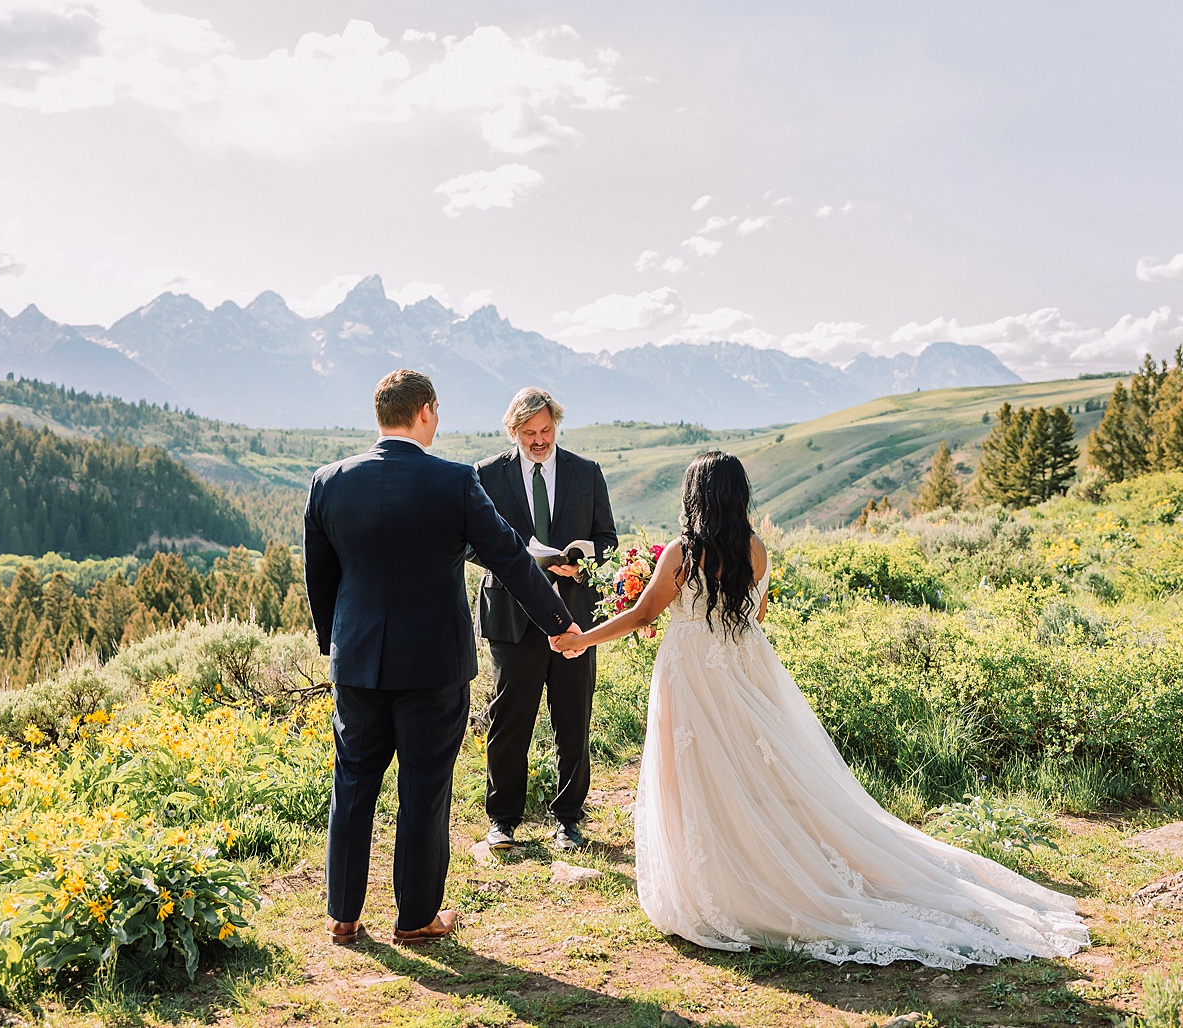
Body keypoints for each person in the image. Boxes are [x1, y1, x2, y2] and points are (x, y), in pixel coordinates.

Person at [552, 451, 1089, 966]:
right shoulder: (756, 548)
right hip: (742, 667)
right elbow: (757, 611)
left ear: (696, 496)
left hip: (691, 671)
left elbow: (644, 613)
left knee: (696, 774)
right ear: (737, 496)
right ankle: (758, 863)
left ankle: (719, 882)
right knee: (752, 770)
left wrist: (582, 641)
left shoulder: (681, 552)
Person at [304, 369, 583, 946]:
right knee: (424, 788)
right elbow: (509, 559)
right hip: (434, 666)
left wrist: (337, 644)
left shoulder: (328, 481)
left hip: (357, 663)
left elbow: (321, 577)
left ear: (380, 415)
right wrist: (561, 626)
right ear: (425, 411)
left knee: (353, 782)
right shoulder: (454, 482)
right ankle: (415, 918)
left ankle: (343, 914)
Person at [473, 388, 617, 851]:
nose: (539, 441)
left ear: (556, 424)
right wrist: (523, 563)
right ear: (513, 431)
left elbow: (608, 540)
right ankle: (503, 820)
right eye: (529, 433)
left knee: (573, 717)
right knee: (509, 718)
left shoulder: (587, 473)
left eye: (546, 431)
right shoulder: (485, 476)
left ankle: (569, 819)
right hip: (513, 616)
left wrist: (585, 563)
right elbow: (472, 544)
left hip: (576, 615)